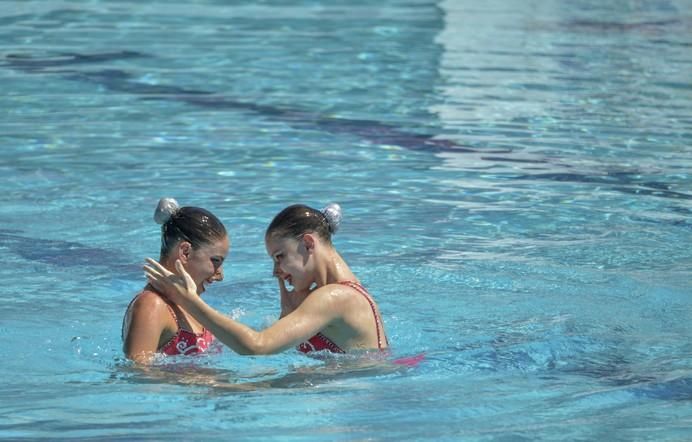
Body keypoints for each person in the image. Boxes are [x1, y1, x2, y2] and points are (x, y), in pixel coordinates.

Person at [143, 203, 388, 355]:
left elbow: (257, 346)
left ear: (307, 243)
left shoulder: (334, 297)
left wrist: (188, 300)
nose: (275, 271)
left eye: (280, 256)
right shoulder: (342, 293)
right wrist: (289, 317)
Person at [122, 198, 229, 364]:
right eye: (215, 261)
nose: (220, 275)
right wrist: (209, 382)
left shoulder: (190, 303)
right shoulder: (151, 306)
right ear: (185, 252)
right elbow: (136, 377)